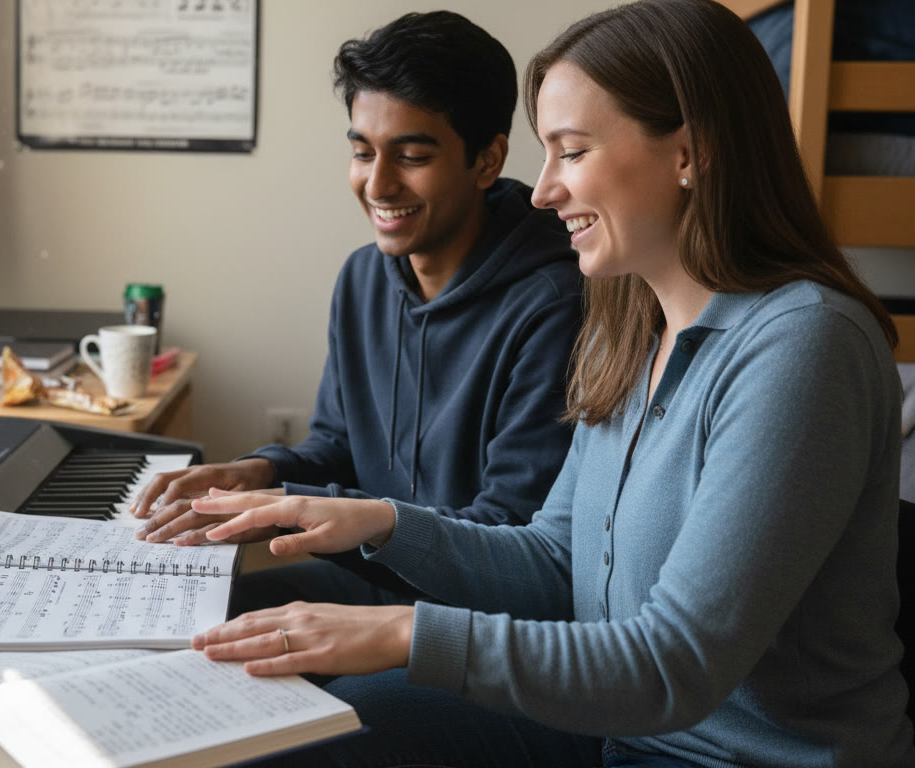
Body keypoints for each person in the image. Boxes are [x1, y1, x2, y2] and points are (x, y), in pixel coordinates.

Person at [186, 0, 915, 765]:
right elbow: (554, 560)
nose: (540, 192)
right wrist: (377, 525)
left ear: (689, 154)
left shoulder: (802, 346)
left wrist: (402, 632)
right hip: (624, 730)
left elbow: (675, 667)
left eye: (570, 152)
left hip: (726, 754)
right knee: (307, 730)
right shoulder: (631, 322)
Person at [129, 11, 584, 609]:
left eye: (412, 157)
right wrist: (260, 473)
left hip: (471, 618)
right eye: (363, 152)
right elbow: (337, 444)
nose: (377, 184)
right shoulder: (362, 277)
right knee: (188, 617)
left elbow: (507, 531)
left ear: (486, 161)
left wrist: (292, 506)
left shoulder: (553, 304)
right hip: (373, 580)